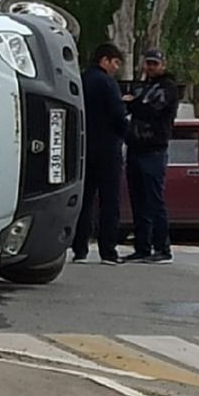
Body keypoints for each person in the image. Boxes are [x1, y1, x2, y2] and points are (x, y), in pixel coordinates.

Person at [71, 43, 128, 264]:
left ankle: (80, 249)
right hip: (107, 148)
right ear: (104, 60)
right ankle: (108, 251)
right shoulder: (107, 83)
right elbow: (117, 114)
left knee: (84, 200)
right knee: (109, 201)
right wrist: (126, 131)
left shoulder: (80, 79)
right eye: (115, 63)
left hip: (84, 147)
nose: (115, 68)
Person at [122, 48, 180, 264]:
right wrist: (134, 103)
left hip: (154, 150)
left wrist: (133, 103)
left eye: (155, 63)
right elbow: (134, 106)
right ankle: (142, 247)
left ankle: (162, 248)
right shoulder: (143, 86)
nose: (151, 67)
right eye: (148, 63)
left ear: (163, 65)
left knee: (154, 200)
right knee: (138, 200)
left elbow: (152, 109)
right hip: (136, 147)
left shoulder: (168, 87)